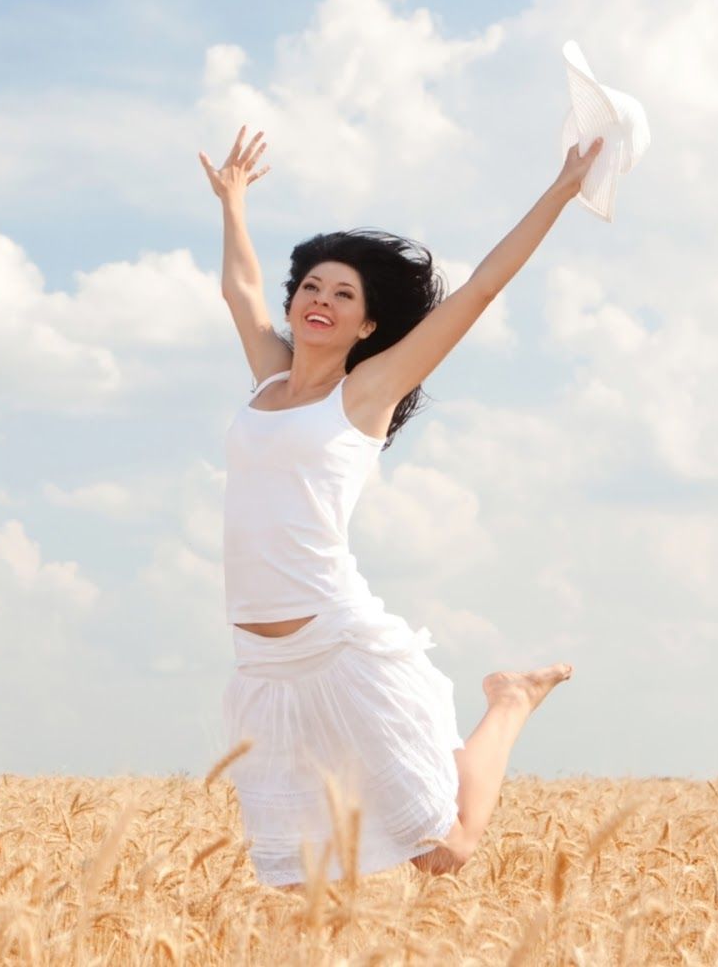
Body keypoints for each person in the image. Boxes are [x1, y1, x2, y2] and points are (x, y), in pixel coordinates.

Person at [200, 125, 592, 888]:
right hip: (261, 666)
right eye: (312, 287)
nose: (322, 299)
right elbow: (238, 290)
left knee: (441, 851)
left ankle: (510, 702)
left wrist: (560, 192)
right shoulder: (268, 381)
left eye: (344, 294)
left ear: (368, 324)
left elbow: (480, 288)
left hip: (339, 646)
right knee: (304, 877)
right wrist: (234, 201)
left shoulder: (365, 394)